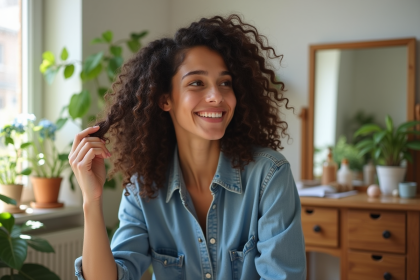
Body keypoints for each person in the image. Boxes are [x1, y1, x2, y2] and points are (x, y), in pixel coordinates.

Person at [71, 14, 306, 280]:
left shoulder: (269, 176)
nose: (217, 96)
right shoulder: (143, 189)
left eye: (225, 83)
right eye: (197, 83)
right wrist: (92, 200)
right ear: (165, 100)